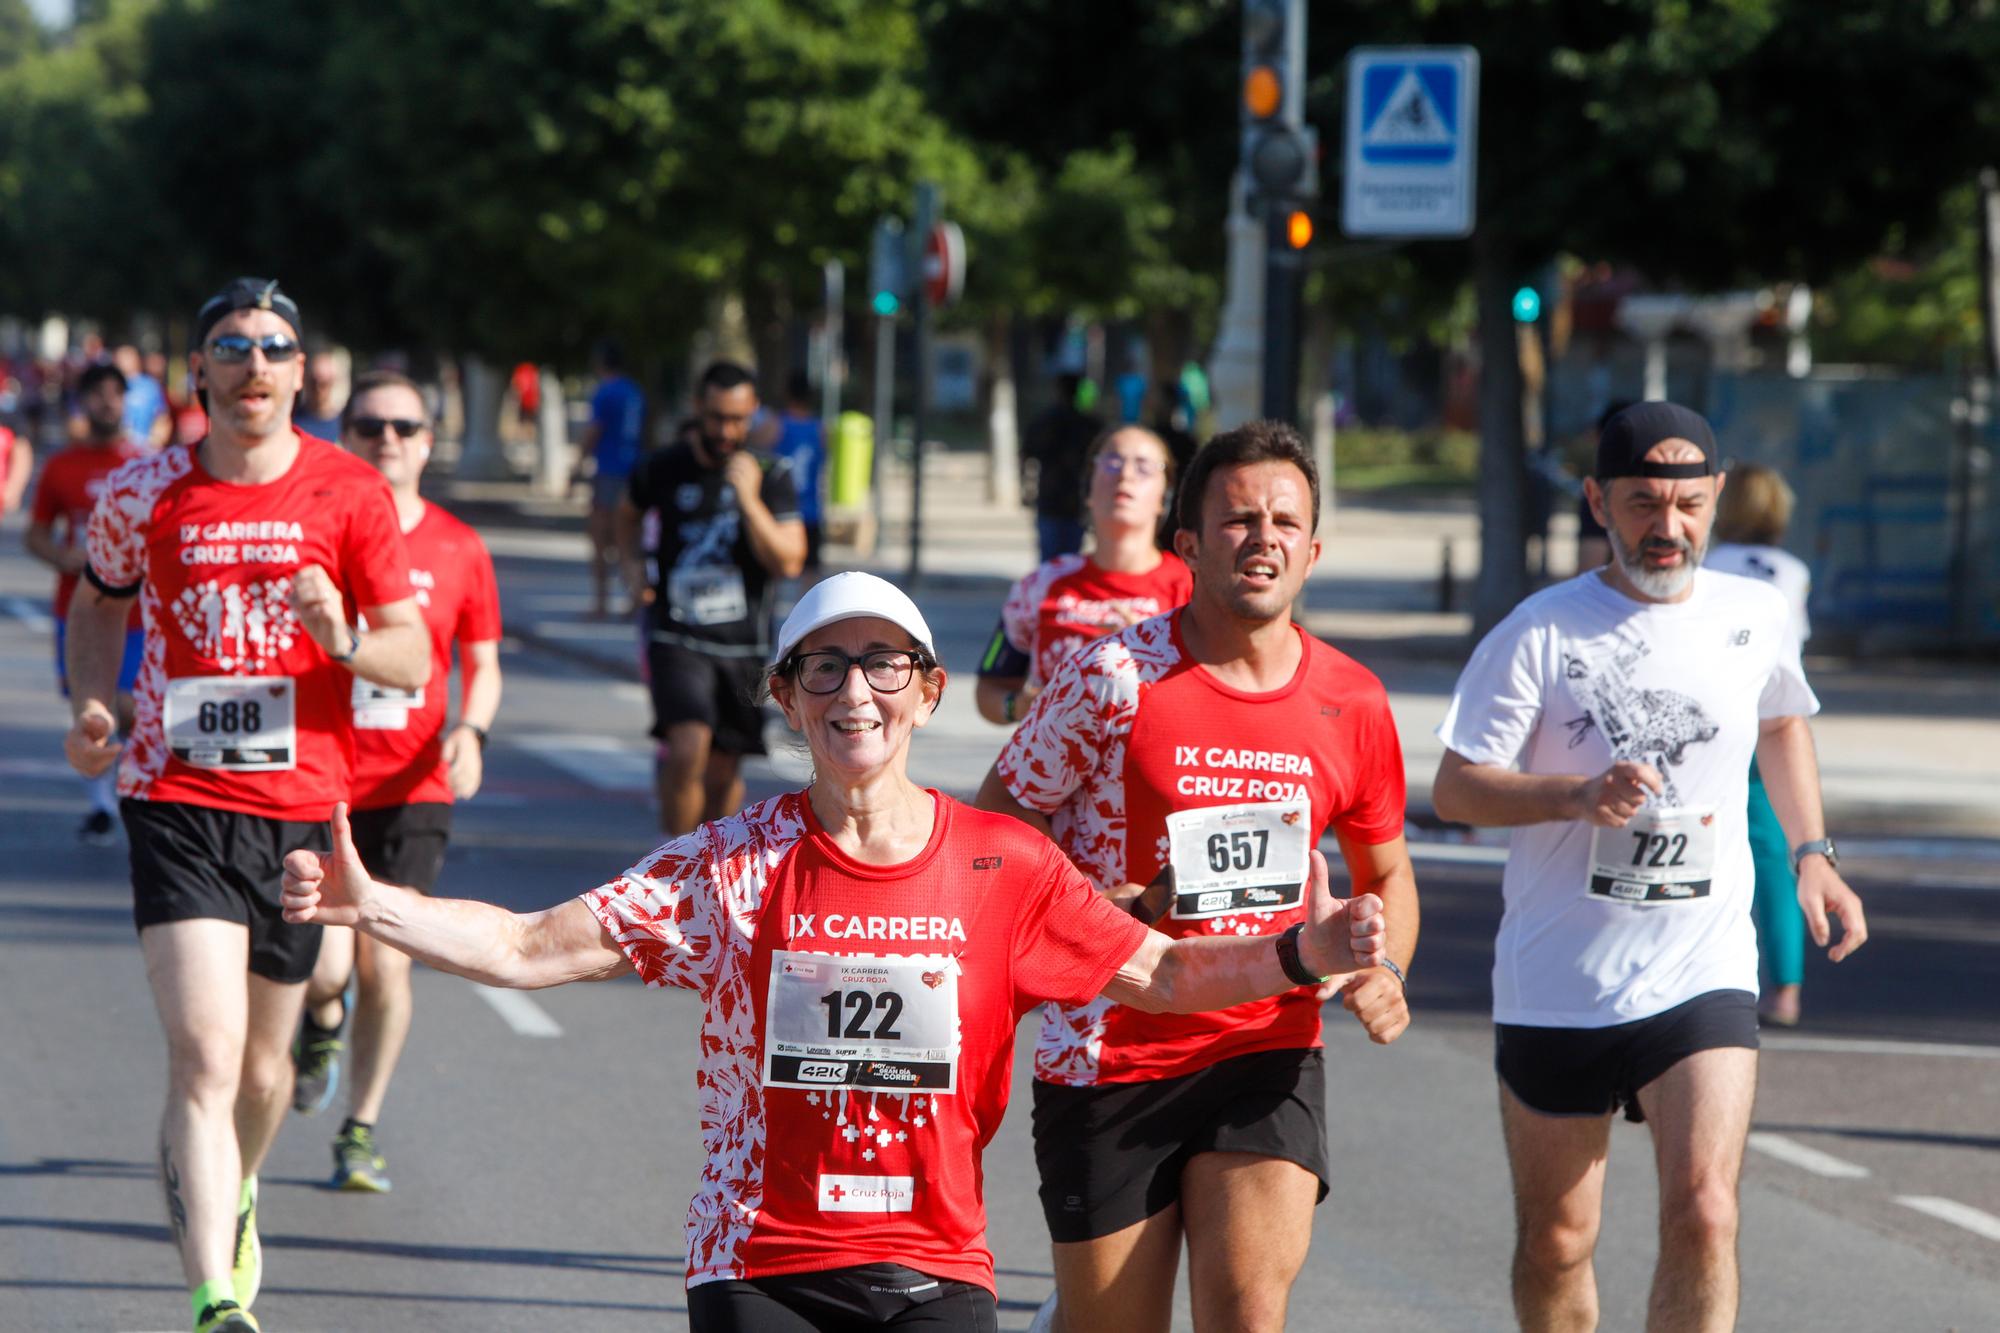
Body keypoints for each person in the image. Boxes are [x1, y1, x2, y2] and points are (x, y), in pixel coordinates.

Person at [279, 571, 1390, 1333]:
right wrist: (373, 904)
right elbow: (528, 945)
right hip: (761, 1261)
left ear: (926, 691)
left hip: (937, 1263)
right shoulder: (733, 866)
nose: (854, 690)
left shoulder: (1003, 865)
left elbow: (1163, 974)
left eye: (882, 664)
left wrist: (1304, 948)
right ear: (783, 698)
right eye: (821, 668)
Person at [1430, 402, 1868, 1333]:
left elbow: (1783, 722)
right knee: (1559, 1238)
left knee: (1706, 1210)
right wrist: (1571, 796)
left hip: (1701, 967)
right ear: (1598, 501)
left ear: (1715, 499)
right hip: (1561, 979)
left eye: (1686, 502)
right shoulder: (1541, 631)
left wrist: (1814, 854)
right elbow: (1459, 788)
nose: (1665, 527)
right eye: (1641, 502)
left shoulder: (1755, 613)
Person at [975, 421, 1419, 1333]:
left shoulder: (1353, 701)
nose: (1263, 538)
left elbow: (1388, 869)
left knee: (1249, 1313)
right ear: (1186, 544)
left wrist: (1385, 967)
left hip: (1266, 1043)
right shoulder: (1112, 678)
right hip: (1109, 1050)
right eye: (1237, 519)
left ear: (1313, 549)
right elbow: (1000, 831)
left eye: (1285, 522)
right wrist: (1107, 910)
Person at [62, 277, 429, 1333]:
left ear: (299, 372)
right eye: (232, 346)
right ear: (200, 372)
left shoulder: (348, 493)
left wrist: (342, 633)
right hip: (172, 792)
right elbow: (98, 603)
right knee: (208, 1051)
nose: (254, 365)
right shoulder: (144, 494)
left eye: (274, 347)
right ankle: (214, 1297)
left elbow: (408, 651)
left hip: (299, 803)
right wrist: (95, 698)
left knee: (265, 1068)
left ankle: (240, 1179)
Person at [289, 369, 504, 1193]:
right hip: (322, 773)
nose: (389, 440)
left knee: (390, 963)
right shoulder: (315, 533)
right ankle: (321, 1018)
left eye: (405, 427)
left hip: (416, 782)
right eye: (371, 425)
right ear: (346, 435)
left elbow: (481, 662)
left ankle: (361, 1127)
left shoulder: (459, 546)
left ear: (429, 440)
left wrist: (470, 730)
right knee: (328, 968)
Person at [617, 360, 806, 835]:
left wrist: (748, 501)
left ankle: (712, 869)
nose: (726, 430)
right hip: (676, 633)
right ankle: (672, 875)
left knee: (724, 770)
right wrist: (633, 568)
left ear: (754, 412)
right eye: (718, 417)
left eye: (738, 419)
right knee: (687, 745)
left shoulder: (771, 473)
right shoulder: (663, 467)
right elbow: (625, 515)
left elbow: (790, 559)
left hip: (741, 644)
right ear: (698, 407)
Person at [976, 425, 1190, 727]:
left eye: (1143, 467)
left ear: (1164, 498)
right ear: (1089, 490)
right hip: (1048, 767)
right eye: (1112, 463)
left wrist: (1155, 656)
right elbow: (989, 691)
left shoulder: (1191, 590)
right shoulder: (1039, 585)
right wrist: (1019, 706)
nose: (1125, 475)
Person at [1706, 462, 1813, 1027]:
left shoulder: (1707, 565)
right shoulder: (1793, 572)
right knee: (1775, 855)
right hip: (1776, 715)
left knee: (1705, 840)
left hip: (1716, 714)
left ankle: (1713, 975)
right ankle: (1788, 988)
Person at [25, 361, 145, 842]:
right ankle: (102, 805)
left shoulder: (144, 464)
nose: (107, 402)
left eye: (116, 393)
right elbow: (35, 535)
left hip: (137, 614)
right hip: (74, 609)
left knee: (130, 706)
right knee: (90, 710)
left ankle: (135, 787)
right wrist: (62, 556)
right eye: (98, 393)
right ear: (84, 402)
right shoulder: (61, 467)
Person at [583, 340, 647, 617]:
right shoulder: (635, 392)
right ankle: (636, 596)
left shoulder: (605, 392)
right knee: (629, 539)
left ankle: (601, 602)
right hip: (633, 469)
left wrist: (577, 462)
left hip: (609, 470)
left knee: (600, 538)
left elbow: (595, 430)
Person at [1021, 372, 1103, 562]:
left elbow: (1025, 457)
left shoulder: (1044, 421)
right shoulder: (1089, 425)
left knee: (1050, 561)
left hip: (1052, 498)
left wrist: (1025, 489)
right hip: (1075, 500)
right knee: (1070, 560)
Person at [769, 368, 827, 577]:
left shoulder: (776, 425)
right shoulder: (819, 428)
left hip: (780, 509)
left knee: (774, 567)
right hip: (811, 509)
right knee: (810, 573)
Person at [114, 343, 173, 451]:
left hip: (144, 448)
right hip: (117, 449)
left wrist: (155, 443)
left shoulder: (150, 386)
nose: (123, 362)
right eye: (120, 358)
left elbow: (162, 417)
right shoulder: (111, 387)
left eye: (127, 358)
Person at [291, 347, 346, 442]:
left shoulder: (345, 425)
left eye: (324, 383)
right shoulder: (290, 421)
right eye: (313, 382)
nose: (318, 388)